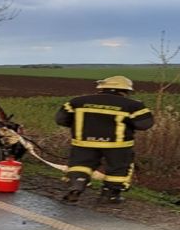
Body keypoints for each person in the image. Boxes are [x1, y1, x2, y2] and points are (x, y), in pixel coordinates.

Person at [55, 75, 154, 204]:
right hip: (118, 146)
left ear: (102, 88)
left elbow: (61, 119)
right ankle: (110, 195)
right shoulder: (133, 105)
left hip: (83, 143)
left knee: (80, 166)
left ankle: (76, 186)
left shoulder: (77, 101)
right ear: (125, 91)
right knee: (118, 169)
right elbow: (144, 124)